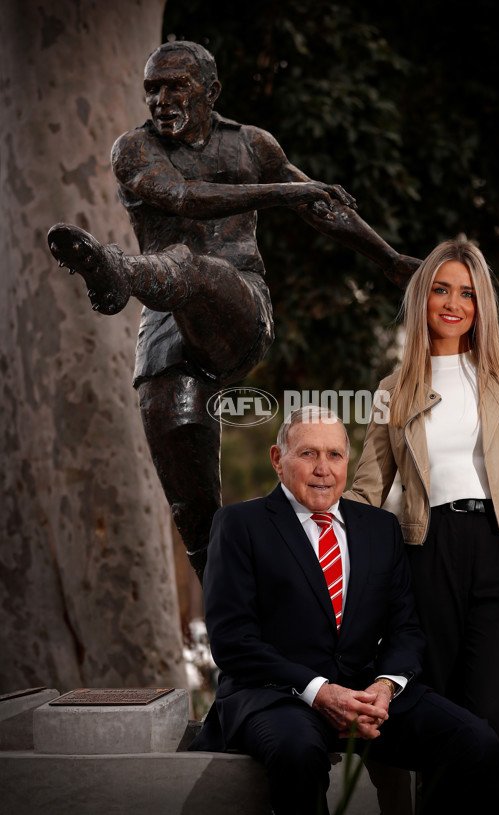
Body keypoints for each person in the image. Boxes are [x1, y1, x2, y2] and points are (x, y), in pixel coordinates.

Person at [47, 40, 420, 582]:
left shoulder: (250, 145)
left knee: (194, 267)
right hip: (165, 335)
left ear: (211, 91)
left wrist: (389, 260)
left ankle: (115, 273)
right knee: (196, 522)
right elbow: (184, 198)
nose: (161, 99)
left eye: (177, 86)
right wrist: (283, 193)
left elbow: (318, 206)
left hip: (238, 310)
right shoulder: (133, 149)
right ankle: (237, 638)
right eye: (152, 88)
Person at [189, 405, 499, 815]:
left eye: (334, 455)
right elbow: (233, 642)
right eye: (308, 454)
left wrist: (385, 687)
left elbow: (405, 629)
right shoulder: (239, 524)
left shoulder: (379, 527)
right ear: (278, 459)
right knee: (297, 754)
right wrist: (320, 692)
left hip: (363, 694)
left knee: (477, 742)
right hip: (276, 697)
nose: (323, 468)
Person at [345, 239, 499, 814]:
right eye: (441, 288)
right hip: (426, 554)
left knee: (491, 721)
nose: (453, 303)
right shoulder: (392, 391)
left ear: (482, 303)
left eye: (467, 292)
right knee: (440, 716)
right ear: (423, 297)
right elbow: (368, 487)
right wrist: (308, 521)